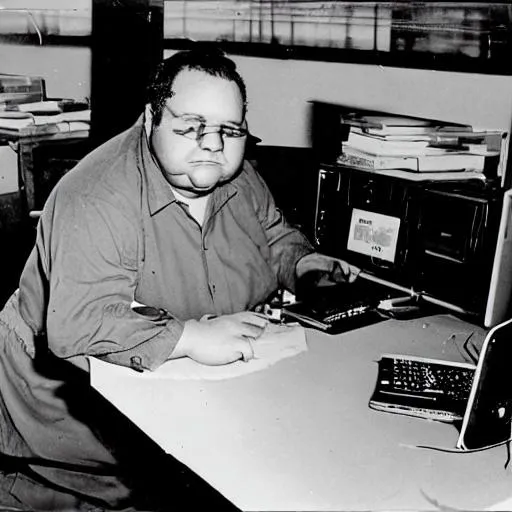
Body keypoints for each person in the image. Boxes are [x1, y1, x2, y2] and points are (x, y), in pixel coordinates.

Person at [0, 47, 359, 510]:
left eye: (230, 130)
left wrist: (304, 265)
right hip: (66, 433)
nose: (213, 143)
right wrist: (189, 336)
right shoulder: (96, 195)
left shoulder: (236, 176)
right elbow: (77, 324)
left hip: (183, 399)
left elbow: (271, 235)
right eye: (191, 126)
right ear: (151, 118)